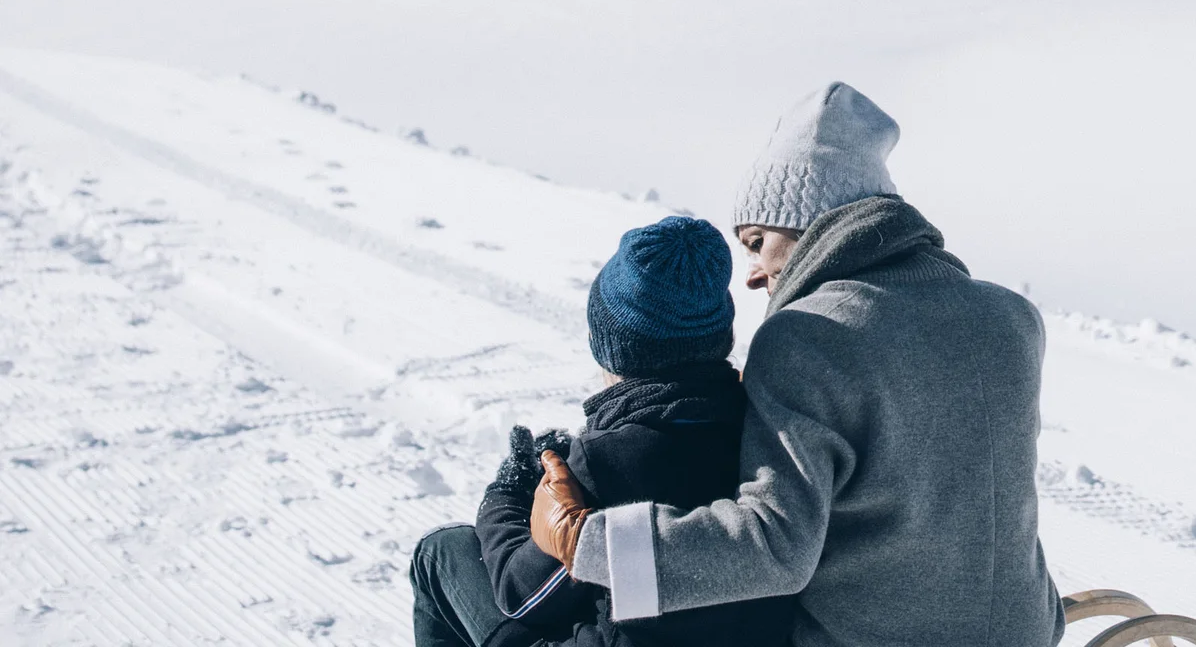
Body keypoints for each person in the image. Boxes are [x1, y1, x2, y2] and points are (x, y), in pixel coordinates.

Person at [529, 82, 1065, 647]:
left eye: (757, 241)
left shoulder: (807, 336)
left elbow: (774, 546)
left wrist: (589, 543)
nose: (754, 273)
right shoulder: (1012, 317)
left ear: (809, 222)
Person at [410, 216, 794, 647]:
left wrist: (508, 492)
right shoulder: (767, 428)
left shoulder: (605, 460)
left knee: (441, 551)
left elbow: (520, 595)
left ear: (611, 344)